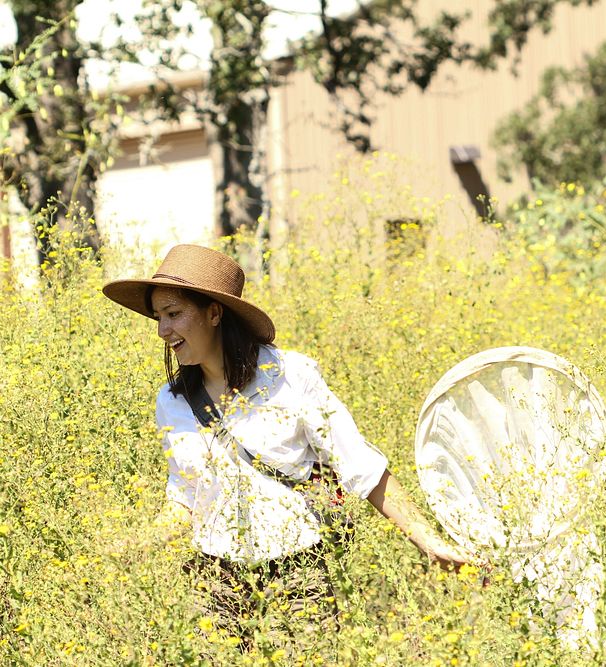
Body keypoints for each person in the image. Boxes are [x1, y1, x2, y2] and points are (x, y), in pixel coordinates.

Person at [102, 244, 470, 645]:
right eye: (159, 318)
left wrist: (426, 538)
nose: (162, 331)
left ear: (213, 312)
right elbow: (186, 494)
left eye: (174, 314)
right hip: (214, 579)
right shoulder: (170, 402)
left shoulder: (289, 376)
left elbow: (359, 465)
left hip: (299, 572)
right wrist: (134, 547)